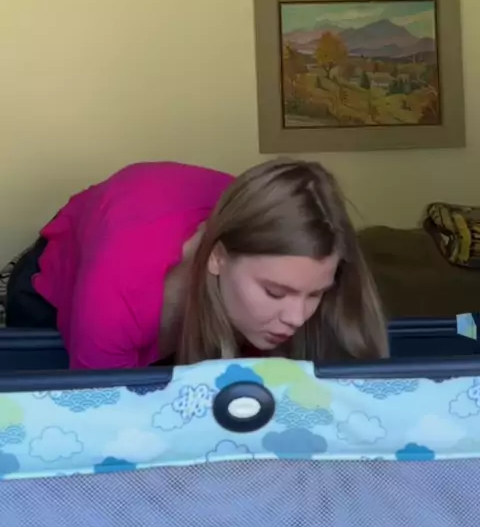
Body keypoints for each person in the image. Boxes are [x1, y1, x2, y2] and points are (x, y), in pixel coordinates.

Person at [5, 158, 389, 369]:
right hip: (52, 285)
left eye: (315, 294)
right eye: (275, 292)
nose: (296, 318)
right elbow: (104, 425)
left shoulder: (268, 233)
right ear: (218, 258)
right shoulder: (117, 292)